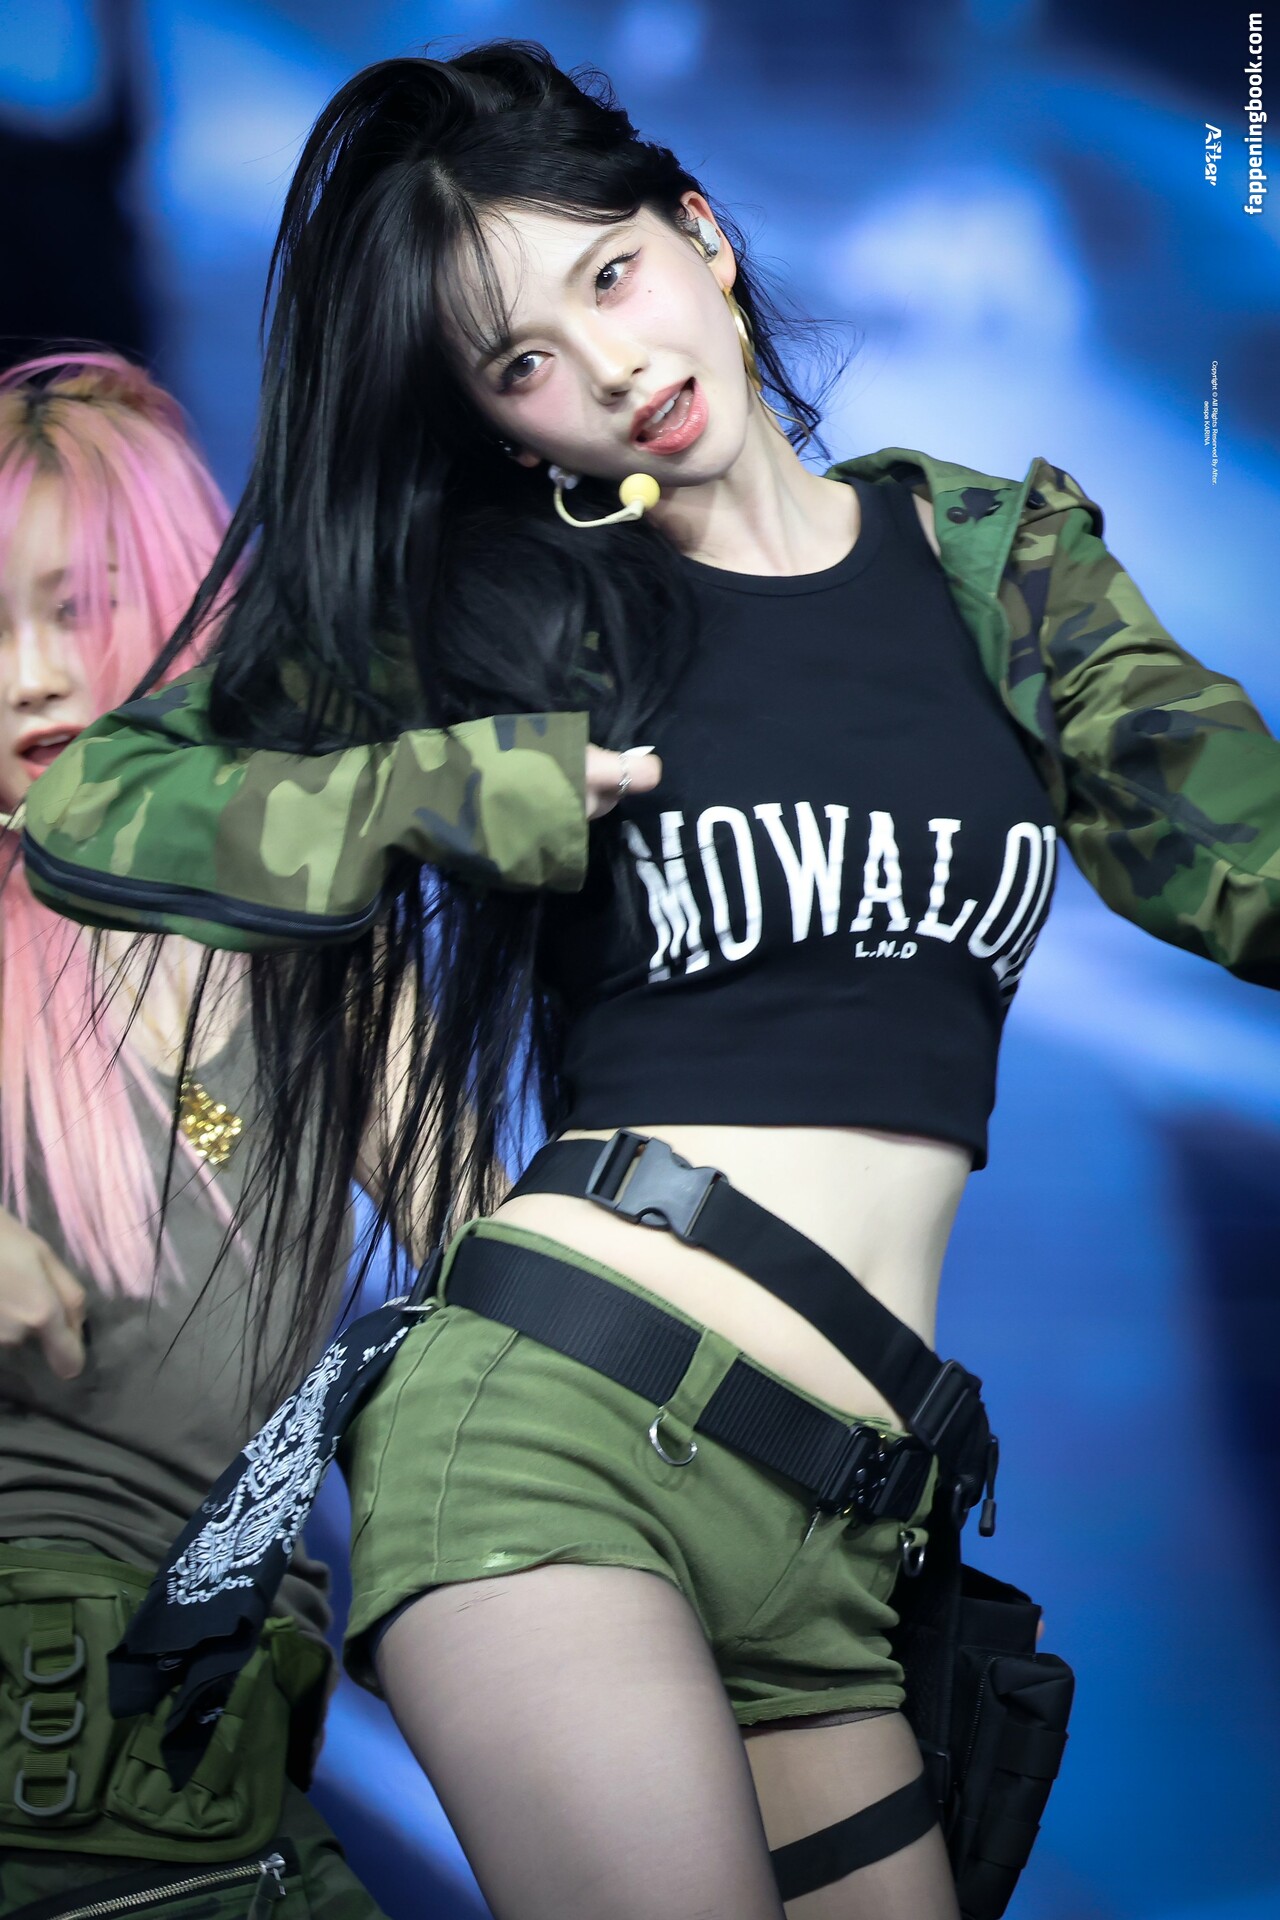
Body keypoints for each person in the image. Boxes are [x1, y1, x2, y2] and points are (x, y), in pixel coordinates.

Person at [22, 44, 1280, 1920]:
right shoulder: (509, 615)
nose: (608, 365)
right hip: (556, 1437)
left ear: (700, 232)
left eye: (610, 275)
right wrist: (437, 789)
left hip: (844, 1513)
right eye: (523, 360)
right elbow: (103, 808)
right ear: (506, 425)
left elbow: (1247, 864)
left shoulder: (994, 566)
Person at [0, 353, 388, 1919]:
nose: (28, 675)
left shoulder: (318, 945)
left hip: (227, 1730)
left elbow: (505, 1250)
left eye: (77, 607)